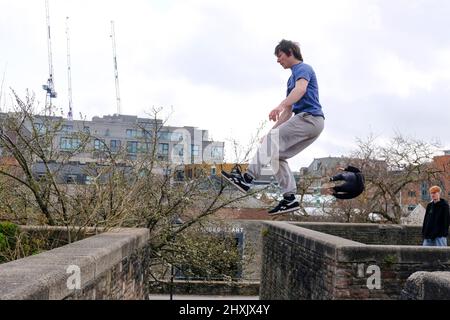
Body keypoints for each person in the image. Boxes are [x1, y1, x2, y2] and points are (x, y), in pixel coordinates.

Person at [222, 39, 325, 215]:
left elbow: (300, 90)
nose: (278, 60)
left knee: (271, 144)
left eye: (280, 55)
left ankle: (247, 179)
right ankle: (289, 198)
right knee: (275, 155)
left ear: (290, 51)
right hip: (308, 123)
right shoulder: (290, 80)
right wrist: (270, 133)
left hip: (310, 118)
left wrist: (279, 106)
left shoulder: (303, 68)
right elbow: (288, 113)